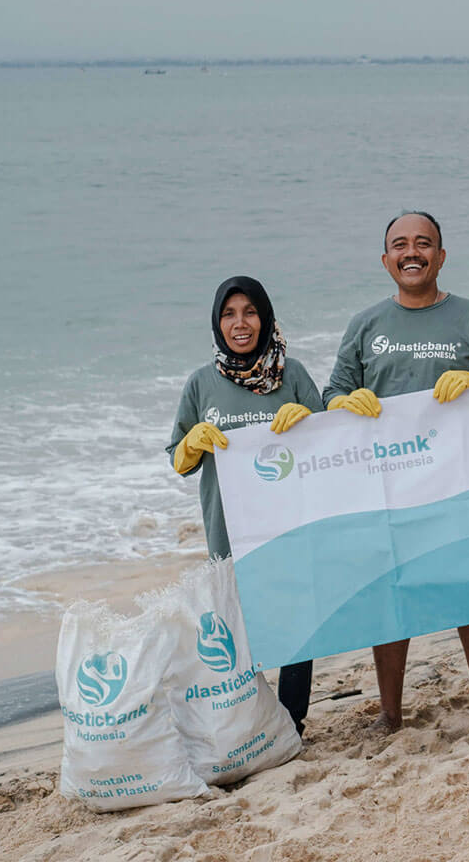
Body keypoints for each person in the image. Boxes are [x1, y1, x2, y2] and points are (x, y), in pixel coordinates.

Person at [322, 210, 469, 730]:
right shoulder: (365, 324)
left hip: (460, 479)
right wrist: (348, 399)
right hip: (387, 484)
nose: (413, 252)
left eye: (424, 243)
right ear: (385, 260)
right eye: (401, 245)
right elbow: (333, 391)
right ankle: (389, 710)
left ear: (442, 256)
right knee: (393, 594)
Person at [168, 275, 321, 735]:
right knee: (236, 630)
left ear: (265, 318)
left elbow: (332, 448)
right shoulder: (201, 384)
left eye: (250, 312)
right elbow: (179, 462)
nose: (241, 323)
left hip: (290, 525)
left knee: (296, 628)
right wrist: (193, 441)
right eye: (229, 314)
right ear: (217, 323)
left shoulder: (291, 374)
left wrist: (310, 421)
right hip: (229, 530)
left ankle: (293, 722)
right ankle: (249, 723)